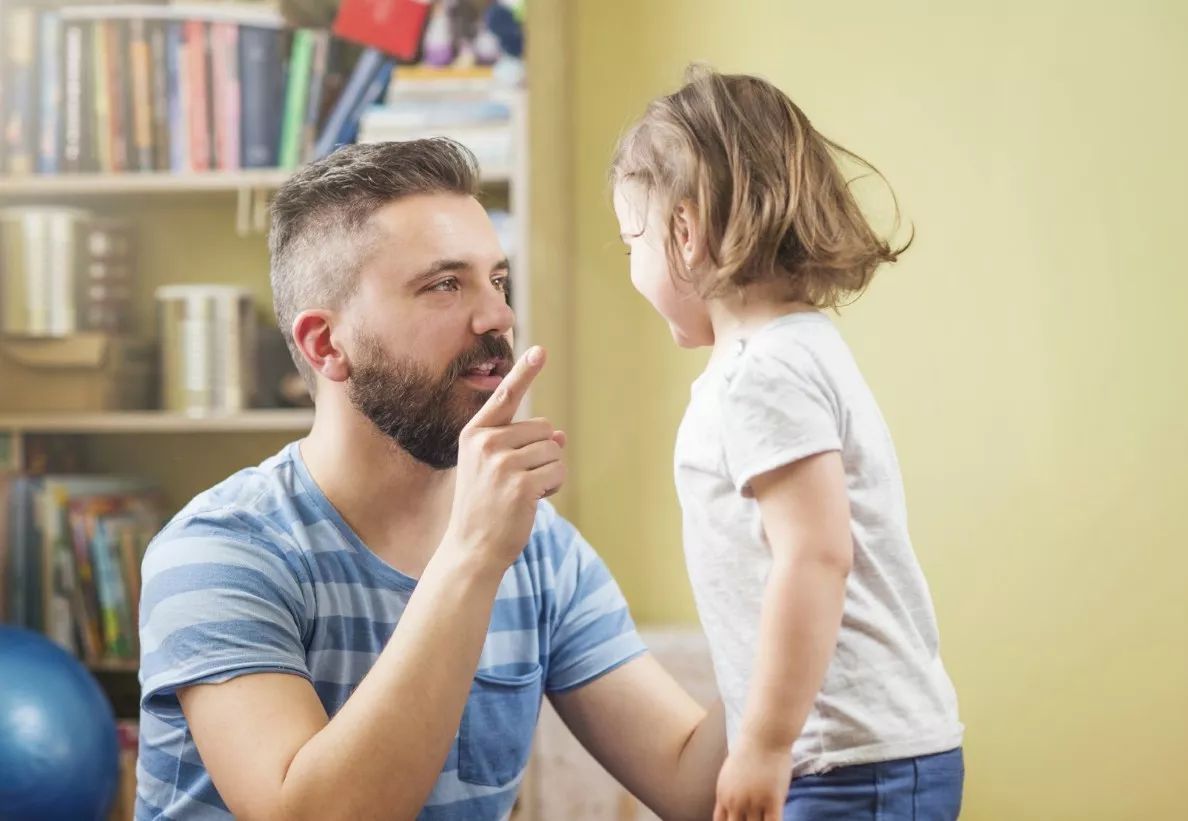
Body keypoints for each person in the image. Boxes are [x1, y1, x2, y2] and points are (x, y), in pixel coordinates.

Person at [135, 138, 726, 820]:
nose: (497, 316)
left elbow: (694, 786)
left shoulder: (540, 551)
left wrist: (794, 609)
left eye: (497, 280)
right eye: (445, 285)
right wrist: (472, 555)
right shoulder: (219, 550)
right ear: (327, 345)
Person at [610, 66, 965, 821]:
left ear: (684, 232)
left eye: (630, 242)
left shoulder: (759, 373)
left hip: (843, 763)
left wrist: (767, 743)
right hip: (860, 756)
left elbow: (815, 553)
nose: (631, 268)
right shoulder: (798, 348)